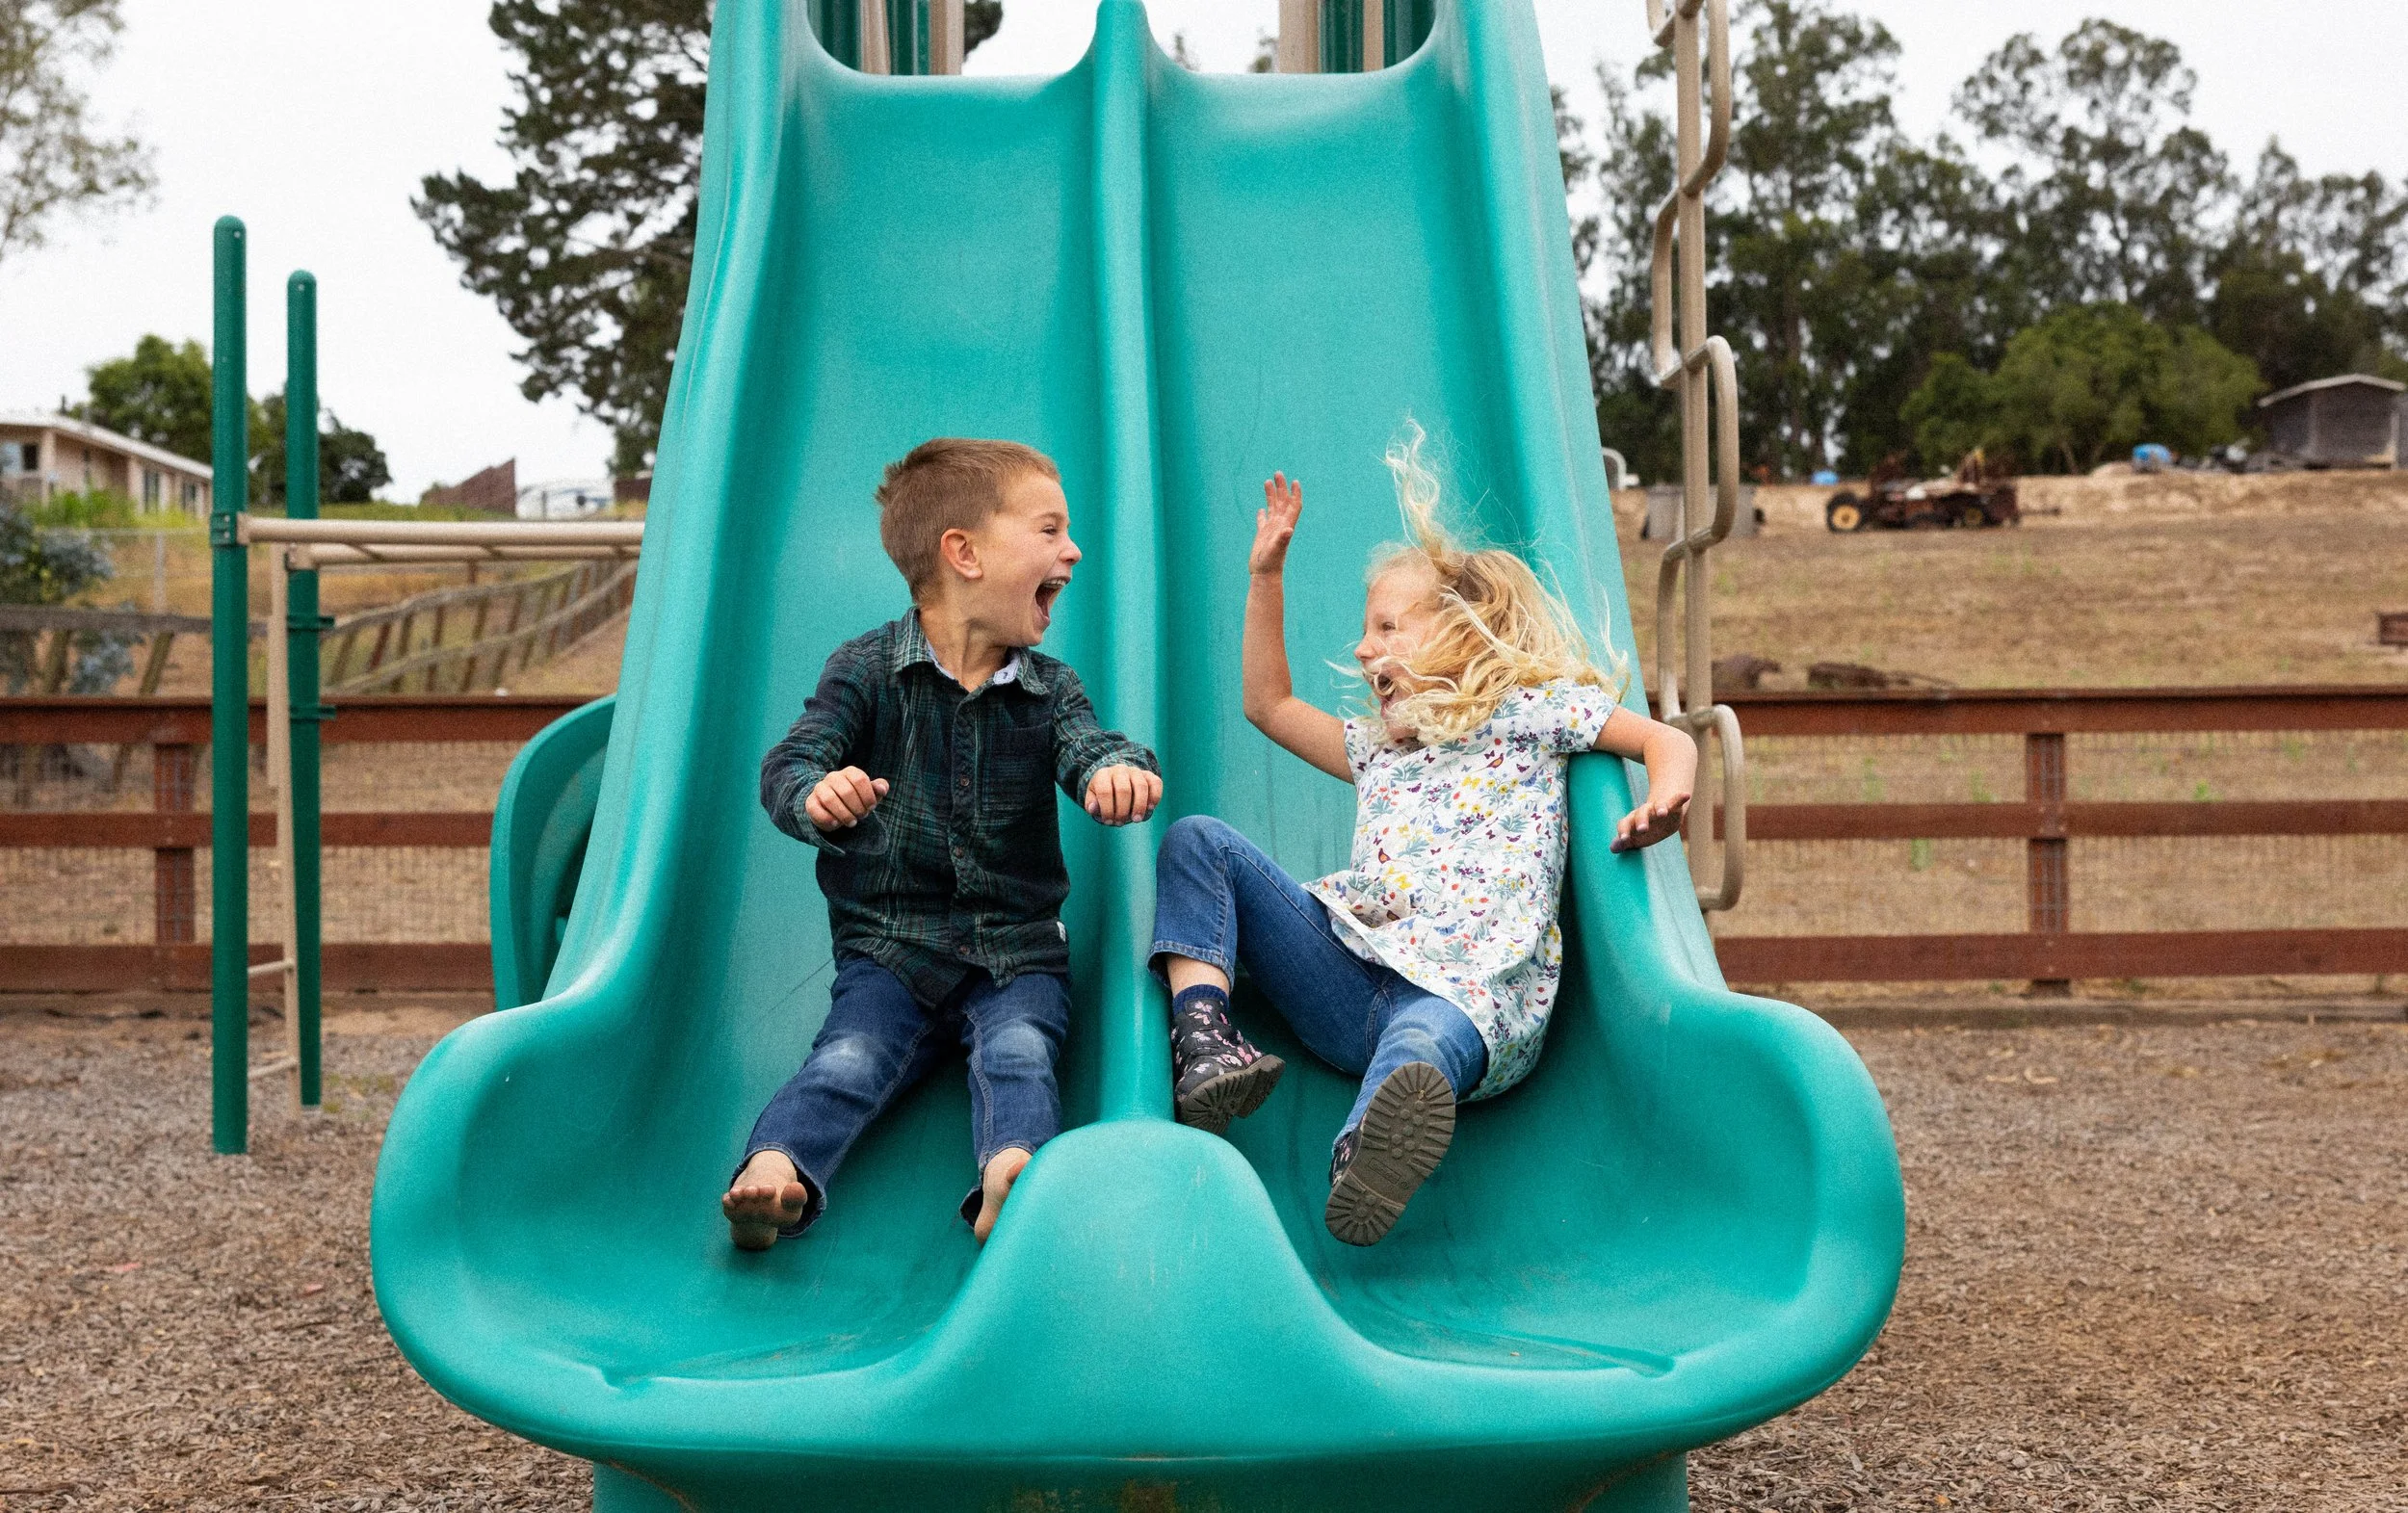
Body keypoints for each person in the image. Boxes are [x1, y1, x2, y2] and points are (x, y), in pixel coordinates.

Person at [1152, 427, 1697, 1246]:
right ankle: (1206, 1039)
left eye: (1387, 627)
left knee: (1418, 1050)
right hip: (1349, 975)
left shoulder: (1528, 714)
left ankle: (1366, 1154)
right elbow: (1268, 705)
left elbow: (1664, 738)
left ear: (1464, 632)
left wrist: (1669, 793)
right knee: (1198, 842)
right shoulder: (1381, 748)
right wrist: (1266, 576)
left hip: (1469, 996)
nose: (1365, 648)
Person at [725, 438, 1162, 1251]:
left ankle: (1010, 1171)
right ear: (962, 553)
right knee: (851, 1055)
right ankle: (776, 1168)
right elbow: (793, 760)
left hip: (1016, 948)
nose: (1073, 550)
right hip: (890, 946)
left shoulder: (1049, 687)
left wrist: (1114, 772)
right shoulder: (864, 670)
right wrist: (817, 796)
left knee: (1021, 1051)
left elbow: (1090, 744)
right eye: (1048, 530)